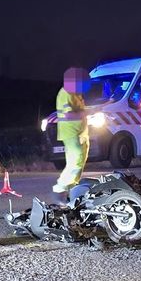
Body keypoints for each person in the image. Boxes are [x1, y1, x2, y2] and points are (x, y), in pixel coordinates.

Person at [52, 66, 91, 203]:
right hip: (71, 133)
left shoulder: (76, 93)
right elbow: (68, 115)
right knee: (76, 162)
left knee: (79, 161)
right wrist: (87, 113)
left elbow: (80, 110)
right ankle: (60, 189)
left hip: (80, 133)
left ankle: (72, 191)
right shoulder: (65, 94)